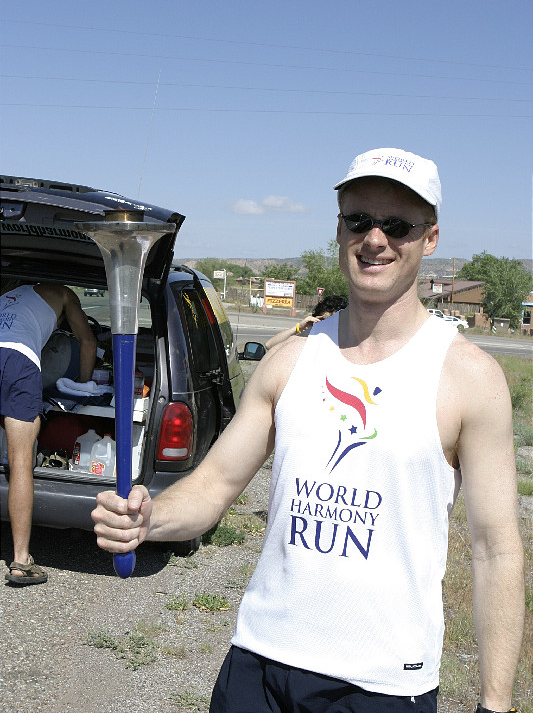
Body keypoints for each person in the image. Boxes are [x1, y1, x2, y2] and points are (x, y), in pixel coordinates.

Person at [92, 148, 524, 713]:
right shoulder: (290, 359)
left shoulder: (469, 378)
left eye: (397, 225)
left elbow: (496, 552)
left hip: (382, 684)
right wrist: (151, 518)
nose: (375, 238)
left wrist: (496, 703)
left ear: (431, 238)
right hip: (260, 663)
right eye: (358, 220)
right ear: (339, 227)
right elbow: (217, 483)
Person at [1, 283, 97, 585]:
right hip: (19, 361)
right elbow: (88, 343)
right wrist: (83, 388)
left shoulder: (8, 293)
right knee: (20, 463)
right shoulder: (66, 294)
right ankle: (21, 561)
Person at [265, 295, 347, 350]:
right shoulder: (308, 341)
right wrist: (300, 327)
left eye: (333, 322)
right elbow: (270, 345)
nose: (327, 326)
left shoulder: (349, 346)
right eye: (323, 321)